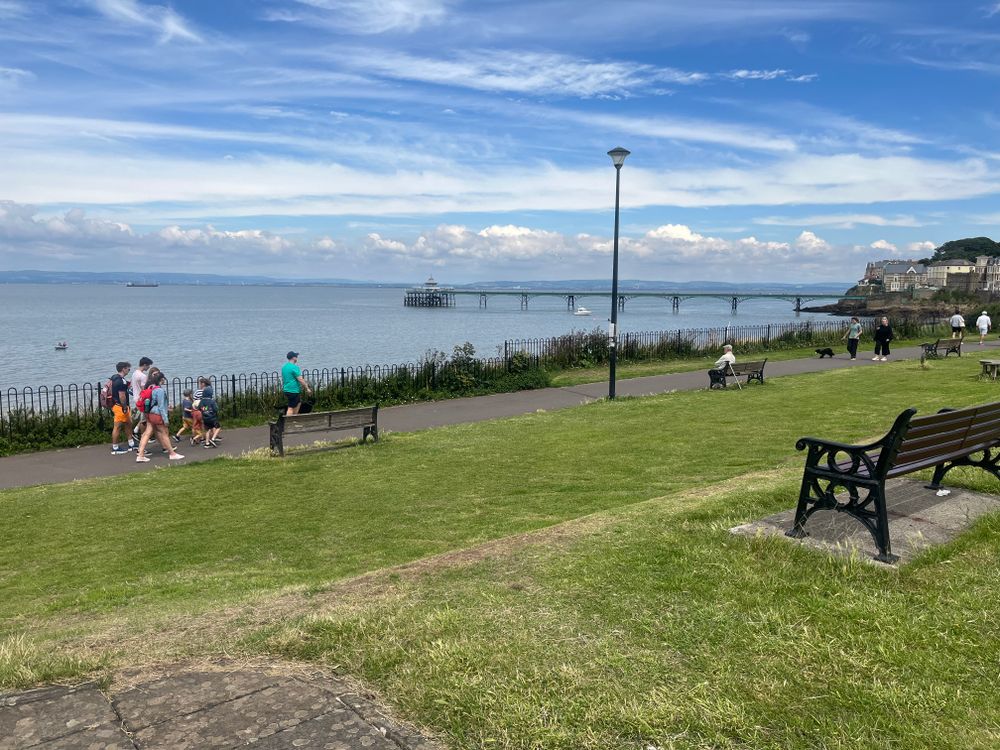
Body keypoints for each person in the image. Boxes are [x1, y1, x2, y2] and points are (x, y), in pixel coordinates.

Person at [135, 372, 184, 462]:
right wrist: (165, 419)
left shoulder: (150, 388)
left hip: (149, 414)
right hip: (157, 415)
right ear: (161, 380)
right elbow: (161, 406)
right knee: (163, 434)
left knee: (146, 433)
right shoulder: (160, 391)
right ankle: (172, 454)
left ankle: (140, 455)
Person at [110, 361, 133, 454]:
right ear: (123, 369)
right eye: (128, 368)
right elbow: (122, 396)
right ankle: (115, 447)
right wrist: (124, 407)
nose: (129, 370)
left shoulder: (114, 378)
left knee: (128, 423)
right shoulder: (121, 381)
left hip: (117, 405)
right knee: (118, 427)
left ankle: (131, 443)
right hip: (120, 406)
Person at [130, 357, 153, 442]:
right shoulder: (143, 376)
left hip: (136, 397)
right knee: (144, 419)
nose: (149, 367)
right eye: (148, 365)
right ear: (144, 365)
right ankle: (143, 437)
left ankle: (136, 431)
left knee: (143, 417)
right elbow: (144, 390)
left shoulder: (135, 373)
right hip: (142, 399)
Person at [281, 351, 312, 415]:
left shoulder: (284, 367)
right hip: (293, 390)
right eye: (296, 356)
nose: (297, 358)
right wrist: (307, 388)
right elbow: (300, 379)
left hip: (287, 389)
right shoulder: (294, 367)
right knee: (290, 407)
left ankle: (294, 417)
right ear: (293, 358)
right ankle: (289, 422)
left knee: (298, 403)